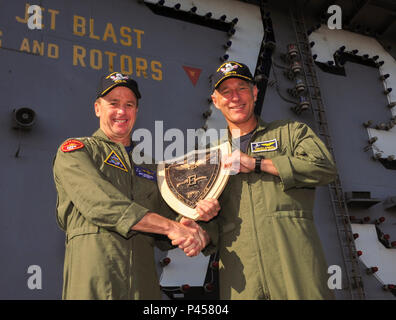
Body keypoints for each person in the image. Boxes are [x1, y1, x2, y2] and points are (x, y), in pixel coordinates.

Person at [53, 71, 220, 300]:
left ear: (136, 112)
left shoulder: (154, 168)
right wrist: (171, 228)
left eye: (129, 104)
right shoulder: (77, 151)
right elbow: (102, 204)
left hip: (143, 287)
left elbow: (176, 216)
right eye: (114, 103)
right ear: (97, 108)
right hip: (93, 283)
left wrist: (200, 229)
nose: (122, 111)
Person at [210, 61, 337, 299]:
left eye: (242, 88)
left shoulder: (291, 132)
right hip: (241, 275)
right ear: (216, 101)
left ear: (255, 93)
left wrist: (259, 163)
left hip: (296, 264)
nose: (234, 97)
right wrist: (197, 222)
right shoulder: (212, 156)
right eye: (225, 92)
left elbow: (324, 167)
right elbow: (210, 221)